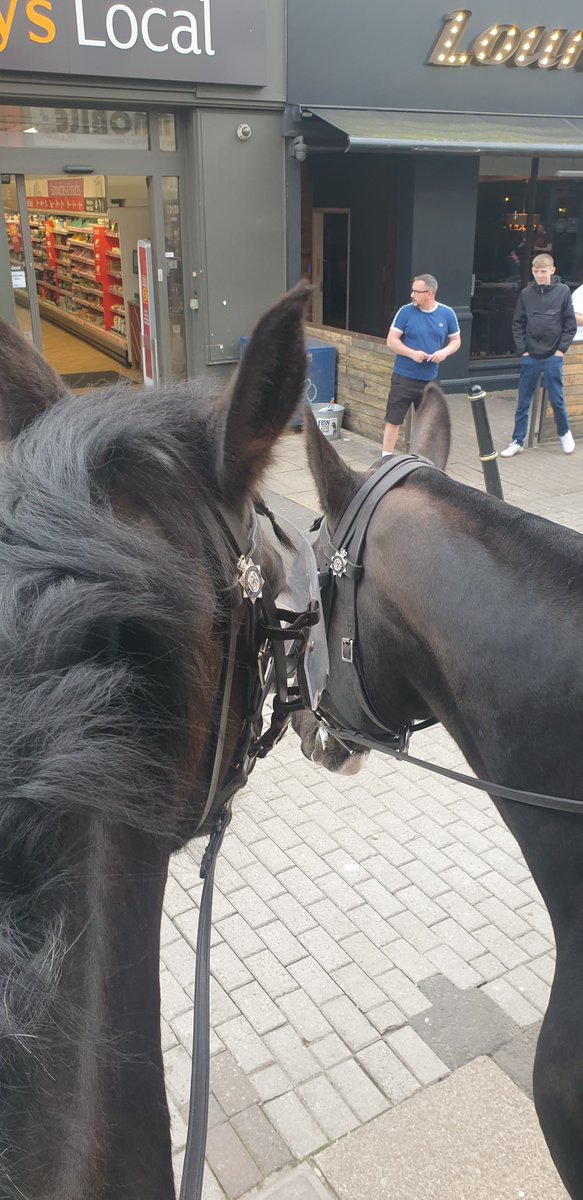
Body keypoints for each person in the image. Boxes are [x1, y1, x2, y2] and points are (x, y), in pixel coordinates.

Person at [501, 254, 577, 457]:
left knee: (557, 398)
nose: (539, 275)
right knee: (523, 400)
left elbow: (570, 324)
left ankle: (564, 433)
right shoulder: (526, 293)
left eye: (543, 271)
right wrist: (523, 351)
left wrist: (561, 350)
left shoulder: (563, 292)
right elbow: (518, 323)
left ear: (553, 270)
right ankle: (517, 440)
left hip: (553, 355)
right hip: (531, 355)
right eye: (536, 271)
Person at [383, 274, 461, 455]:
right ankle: (385, 458)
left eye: (417, 292)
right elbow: (391, 341)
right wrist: (411, 353)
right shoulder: (405, 312)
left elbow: (456, 341)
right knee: (393, 420)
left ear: (430, 293)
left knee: (429, 425)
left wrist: (444, 352)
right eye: (413, 290)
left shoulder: (447, 313)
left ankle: (422, 460)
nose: (412, 295)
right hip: (403, 377)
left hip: (430, 380)